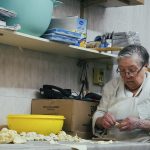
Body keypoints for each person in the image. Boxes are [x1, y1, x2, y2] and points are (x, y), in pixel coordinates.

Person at [92, 44, 150, 141]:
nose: (127, 76)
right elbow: (99, 113)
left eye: (132, 70)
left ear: (145, 66)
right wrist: (101, 120)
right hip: (113, 143)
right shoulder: (111, 86)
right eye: (122, 70)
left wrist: (139, 124)